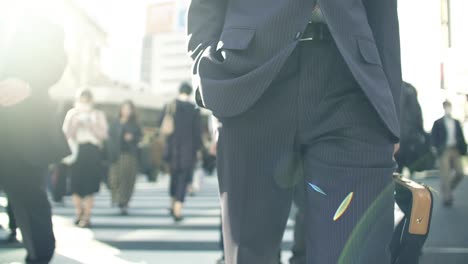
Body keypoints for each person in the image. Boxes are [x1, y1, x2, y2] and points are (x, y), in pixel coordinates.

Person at [188, 0, 401, 263]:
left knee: (356, 253)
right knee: (249, 255)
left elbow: (383, 9)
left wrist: (389, 108)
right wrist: (203, 65)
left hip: (351, 81)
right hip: (249, 74)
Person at [0, 12, 69, 264]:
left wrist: (28, 84)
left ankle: (38, 257)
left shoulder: (41, 23)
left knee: (29, 199)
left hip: (22, 129)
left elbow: (55, 63)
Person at [62, 90, 108, 227]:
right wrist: (75, 125)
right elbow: (65, 135)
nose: (84, 103)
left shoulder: (98, 114)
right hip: (76, 150)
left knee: (90, 185)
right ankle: (79, 212)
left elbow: (103, 135)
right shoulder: (72, 113)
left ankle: (87, 216)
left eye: (87, 100)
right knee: (75, 184)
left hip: (92, 151)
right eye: (82, 100)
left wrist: (91, 126)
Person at [160, 83, 202, 222]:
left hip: (172, 148)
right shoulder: (193, 109)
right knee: (183, 179)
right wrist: (198, 150)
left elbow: (160, 123)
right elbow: (197, 133)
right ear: (189, 93)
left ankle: (172, 204)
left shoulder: (170, 105)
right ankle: (178, 209)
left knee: (174, 177)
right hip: (187, 150)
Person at [108, 100, 142, 215]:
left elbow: (139, 138)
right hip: (115, 154)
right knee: (114, 178)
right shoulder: (115, 123)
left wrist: (132, 138)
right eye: (124, 108)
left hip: (129, 155)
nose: (126, 111)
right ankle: (116, 198)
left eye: (128, 109)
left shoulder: (135, 124)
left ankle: (124, 201)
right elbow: (110, 137)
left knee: (127, 179)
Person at [431, 100, 467, 207]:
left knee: (460, 172)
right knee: (445, 174)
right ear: (444, 108)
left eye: (449, 107)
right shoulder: (438, 122)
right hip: (444, 150)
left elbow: (461, 137)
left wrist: (464, 149)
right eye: (446, 107)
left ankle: (448, 188)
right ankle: (447, 198)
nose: (448, 109)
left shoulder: (456, 122)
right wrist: (434, 148)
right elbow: (433, 137)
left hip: (455, 149)